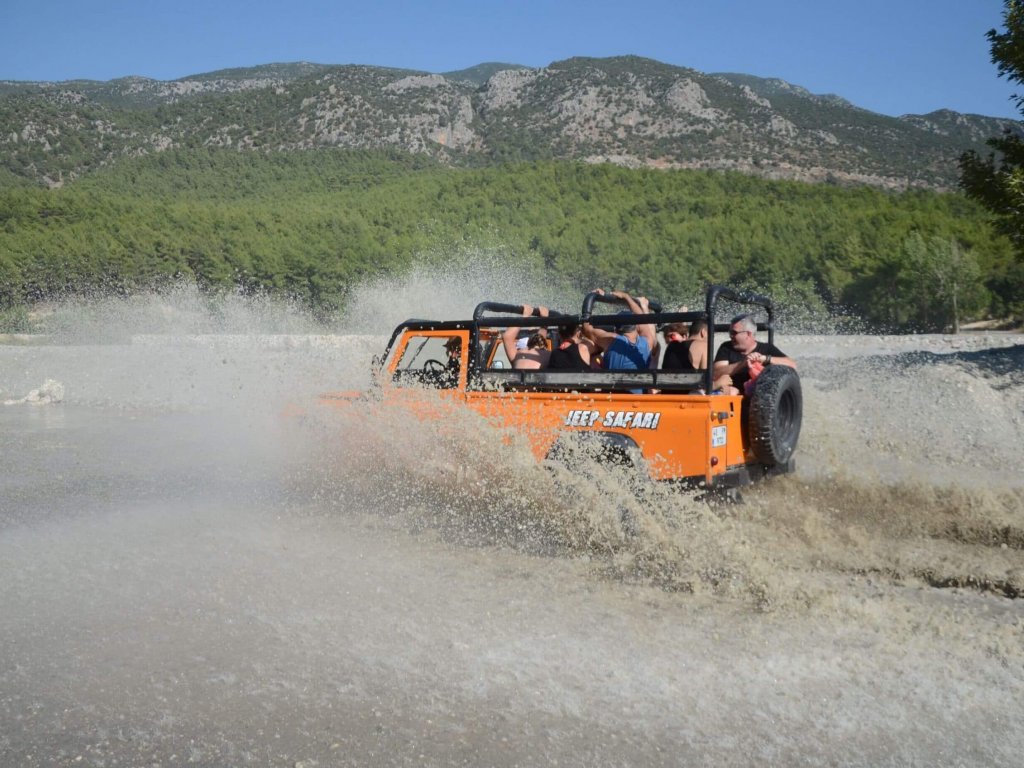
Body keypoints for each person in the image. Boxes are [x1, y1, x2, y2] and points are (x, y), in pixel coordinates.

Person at [583, 289, 657, 392]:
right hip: (638, 402)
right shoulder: (647, 342)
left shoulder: (610, 339)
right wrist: (627, 297)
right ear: (636, 326)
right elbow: (642, 318)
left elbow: (586, 328)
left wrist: (593, 297)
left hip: (612, 400)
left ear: (616, 328)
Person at [712, 313, 796, 395]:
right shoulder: (726, 347)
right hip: (733, 396)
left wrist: (766, 359)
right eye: (730, 332)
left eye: (734, 333)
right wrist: (742, 363)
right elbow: (715, 373)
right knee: (731, 391)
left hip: (761, 397)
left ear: (748, 334)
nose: (731, 336)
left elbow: (792, 365)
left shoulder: (767, 348)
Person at [662, 319, 732, 392]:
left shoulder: (671, 346)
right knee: (726, 390)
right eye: (711, 335)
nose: (711, 339)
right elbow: (706, 384)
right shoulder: (703, 346)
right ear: (703, 332)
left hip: (667, 397)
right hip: (688, 400)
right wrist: (718, 383)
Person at [501, 304, 551, 369]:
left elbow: (507, 336)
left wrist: (525, 315)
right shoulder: (549, 356)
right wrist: (544, 319)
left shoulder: (518, 355)